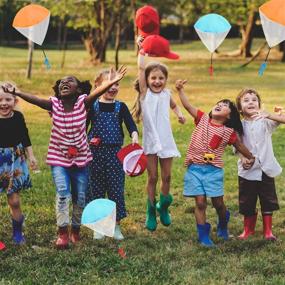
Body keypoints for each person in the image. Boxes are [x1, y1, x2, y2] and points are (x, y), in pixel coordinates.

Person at [2, 67, 126, 249]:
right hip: (59, 159)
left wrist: (108, 82)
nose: (64, 83)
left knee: (80, 197)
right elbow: (36, 101)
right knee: (62, 194)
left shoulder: (83, 103)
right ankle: (62, 234)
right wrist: (17, 92)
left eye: (70, 81)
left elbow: (96, 93)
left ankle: (75, 231)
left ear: (79, 90)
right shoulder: (54, 105)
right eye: (61, 82)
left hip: (81, 160)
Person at [176, 79, 254, 247]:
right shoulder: (202, 119)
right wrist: (180, 90)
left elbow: (240, 146)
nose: (219, 105)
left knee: (218, 203)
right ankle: (203, 235)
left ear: (229, 116)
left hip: (213, 171)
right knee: (200, 202)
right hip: (194, 169)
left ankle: (223, 221)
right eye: (218, 103)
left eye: (224, 105)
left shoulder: (228, 132)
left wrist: (250, 157)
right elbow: (188, 106)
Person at [132, 39, 186, 232]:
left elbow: (173, 105)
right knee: (153, 177)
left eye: (161, 78)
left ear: (165, 80)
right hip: (150, 142)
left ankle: (163, 206)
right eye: (153, 78)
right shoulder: (145, 94)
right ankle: (150, 210)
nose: (157, 81)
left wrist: (179, 114)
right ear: (146, 81)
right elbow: (140, 68)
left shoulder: (166, 94)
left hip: (166, 140)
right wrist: (142, 50)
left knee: (168, 176)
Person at [87, 69, 139, 240]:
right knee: (97, 190)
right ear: (97, 86)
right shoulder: (92, 106)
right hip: (94, 154)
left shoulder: (120, 106)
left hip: (116, 154)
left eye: (116, 83)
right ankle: (99, 226)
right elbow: (82, 126)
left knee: (115, 190)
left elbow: (131, 124)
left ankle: (115, 226)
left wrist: (134, 134)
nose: (113, 87)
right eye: (108, 83)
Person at [236, 88, 285, 241]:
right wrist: (243, 158)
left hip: (266, 169)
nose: (251, 102)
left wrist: (272, 114)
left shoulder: (265, 121)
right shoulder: (239, 126)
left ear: (259, 104)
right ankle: (248, 230)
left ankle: (268, 231)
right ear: (239, 108)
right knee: (247, 200)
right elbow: (236, 145)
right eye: (246, 100)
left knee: (268, 199)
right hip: (247, 171)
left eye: (254, 99)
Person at [0, 82, 37, 246]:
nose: (3, 103)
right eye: (0, 100)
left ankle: (17, 232)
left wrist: (31, 156)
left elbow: (25, 137)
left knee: (14, 201)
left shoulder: (18, 117)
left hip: (15, 160)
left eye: (8, 99)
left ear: (15, 101)